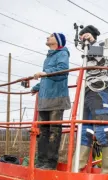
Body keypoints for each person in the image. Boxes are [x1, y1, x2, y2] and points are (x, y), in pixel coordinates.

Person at [72, 25, 108, 174]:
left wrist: (90, 43)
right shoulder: (86, 51)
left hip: (100, 89)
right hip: (88, 90)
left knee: (103, 128)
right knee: (85, 129)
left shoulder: (101, 46)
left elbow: (103, 56)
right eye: (82, 35)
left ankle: (107, 171)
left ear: (94, 35)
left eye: (86, 34)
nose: (83, 37)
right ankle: (77, 168)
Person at [31, 32, 71, 170]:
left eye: (51, 36)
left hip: (56, 98)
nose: (47, 37)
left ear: (57, 41)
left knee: (54, 131)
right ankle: (40, 161)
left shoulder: (62, 54)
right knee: (42, 132)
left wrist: (45, 73)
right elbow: (45, 78)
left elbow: (63, 69)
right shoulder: (48, 57)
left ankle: (50, 163)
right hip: (44, 99)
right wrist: (36, 87)